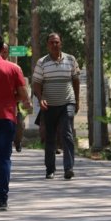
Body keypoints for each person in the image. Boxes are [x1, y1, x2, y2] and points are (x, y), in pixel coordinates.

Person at [0, 34, 31, 211]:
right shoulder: (13, 68)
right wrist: (12, 98)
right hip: (7, 118)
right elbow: (23, 95)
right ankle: (3, 199)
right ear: (3, 48)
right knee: (3, 160)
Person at [32, 33, 81, 180]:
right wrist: (40, 99)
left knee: (67, 134)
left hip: (67, 102)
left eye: (57, 42)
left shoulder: (71, 59)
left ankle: (68, 168)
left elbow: (76, 81)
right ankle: (50, 169)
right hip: (49, 105)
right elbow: (36, 83)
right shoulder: (42, 63)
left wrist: (77, 100)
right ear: (47, 45)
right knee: (50, 136)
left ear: (61, 43)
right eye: (52, 42)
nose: (54, 45)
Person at [0, 43, 27, 152]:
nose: (2, 54)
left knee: (19, 124)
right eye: (1, 51)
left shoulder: (14, 68)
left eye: (5, 52)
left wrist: (22, 100)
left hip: (12, 105)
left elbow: (22, 88)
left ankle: (17, 141)